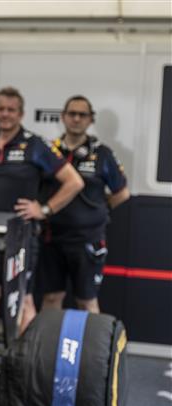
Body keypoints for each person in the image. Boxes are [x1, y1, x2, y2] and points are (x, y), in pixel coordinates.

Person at [0, 87, 84, 333]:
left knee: (23, 299)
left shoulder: (36, 145)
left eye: (11, 110)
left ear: (21, 114)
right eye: (1, 109)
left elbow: (74, 181)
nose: (5, 114)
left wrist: (44, 208)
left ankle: (23, 367)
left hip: (20, 235)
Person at [40, 95, 130, 313]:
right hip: (52, 238)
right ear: (63, 117)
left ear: (91, 120)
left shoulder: (102, 153)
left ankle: (89, 349)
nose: (77, 119)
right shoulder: (49, 150)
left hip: (87, 240)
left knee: (86, 302)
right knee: (51, 298)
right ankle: (47, 347)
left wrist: (97, 210)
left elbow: (122, 193)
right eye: (72, 114)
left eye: (83, 115)